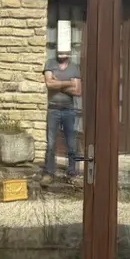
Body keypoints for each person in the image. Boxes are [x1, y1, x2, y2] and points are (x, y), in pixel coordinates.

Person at [42, 47, 82, 182]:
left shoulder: (74, 67)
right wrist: (68, 83)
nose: (62, 54)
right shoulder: (50, 63)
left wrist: (57, 82)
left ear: (70, 53)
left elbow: (77, 91)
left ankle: (72, 172)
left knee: (71, 142)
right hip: (53, 109)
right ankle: (49, 173)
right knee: (51, 143)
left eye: (65, 52)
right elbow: (49, 84)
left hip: (69, 110)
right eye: (60, 51)